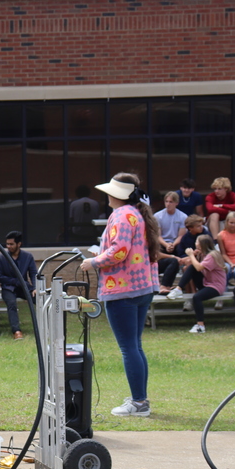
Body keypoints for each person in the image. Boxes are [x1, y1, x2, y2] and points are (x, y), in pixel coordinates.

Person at [80, 172, 160, 417]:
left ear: (117, 194)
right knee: (135, 346)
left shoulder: (121, 215)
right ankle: (140, 399)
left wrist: (93, 262)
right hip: (141, 287)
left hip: (122, 289)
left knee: (129, 348)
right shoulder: (137, 213)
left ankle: (138, 402)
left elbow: (118, 252)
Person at [0, 230, 37, 340]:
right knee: (12, 303)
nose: (8, 246)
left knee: (40, 299)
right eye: (7, 244)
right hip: (8, 288)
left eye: (11, 244)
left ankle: (45, 326)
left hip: (24, 287)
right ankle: (16, 331)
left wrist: (35, 288)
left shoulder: (28, 256)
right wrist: (15, 281)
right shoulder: (2, 257)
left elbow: (33, 273)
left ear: (19, 244)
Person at [182, 235, 228, 334]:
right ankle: (178, 289)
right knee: (190, 268)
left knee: (197, 297)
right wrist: (193, 255)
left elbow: (199, 268)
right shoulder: (202, 254)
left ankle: (200, 326)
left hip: (216, 286)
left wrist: (191, 255)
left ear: (201, 244)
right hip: (206, 283)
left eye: (197, 241)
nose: (195, 243)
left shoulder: (212, 255)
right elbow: (185, 263)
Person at [155, 191, 187, 294]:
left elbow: (181, 235)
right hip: (162, 243)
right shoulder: (158, 216)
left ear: (176, 203)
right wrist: (166, 244)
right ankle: (164, 285)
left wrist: (173, 244)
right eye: (166, 201)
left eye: (171, 202)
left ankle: (168, 285)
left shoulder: (182, 216)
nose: (168, 204)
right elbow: (158, 235)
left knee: (181, 251)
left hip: (176, 243)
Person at [218, 211, 235, 285]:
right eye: (231, 223)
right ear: (227, 222)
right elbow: (223, 253)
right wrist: (231, 264)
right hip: (228, 261)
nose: (233, 225)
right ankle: (224, 290)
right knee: (225, 270)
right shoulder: (221, 235)